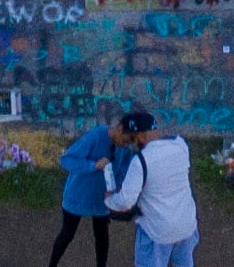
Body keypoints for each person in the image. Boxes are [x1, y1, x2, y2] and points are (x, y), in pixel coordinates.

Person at [49, 112, 136, 267]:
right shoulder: (95, 136)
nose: (126, 145)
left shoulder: (125, 147)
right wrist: (93, 165)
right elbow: (67, 160)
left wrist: (118, 188)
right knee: (67, 234)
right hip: (78, 196)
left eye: (130, 142)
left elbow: (125, 166)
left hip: (102, 199)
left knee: (102, 237)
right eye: (126, 140)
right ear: (119, 129)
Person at [113, 111, 198, 267]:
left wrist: (109, 199)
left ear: (139, 137)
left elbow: (125, 202)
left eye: (133, 140)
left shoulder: (140, 161)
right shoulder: (180, 144)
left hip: (158, 232)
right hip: (187, 226)